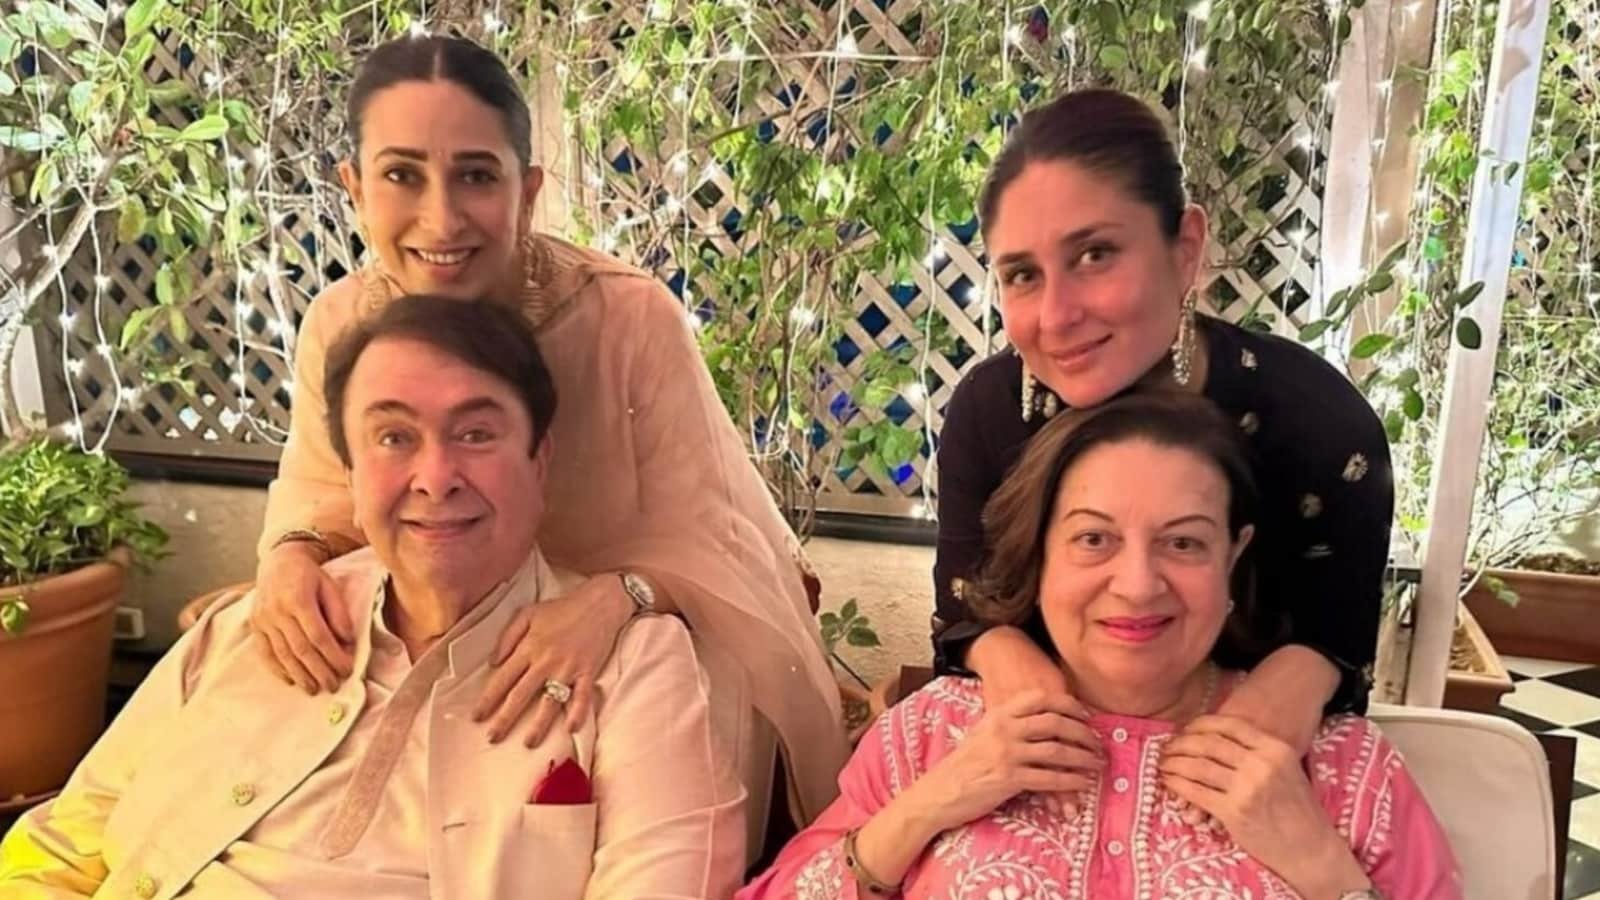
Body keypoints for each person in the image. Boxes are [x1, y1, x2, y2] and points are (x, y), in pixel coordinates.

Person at [249, 35, 844, 820]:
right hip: (427, 634)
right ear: (354, 188)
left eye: (476, 175)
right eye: (401, 175)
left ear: (526, 190)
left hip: (627, 651)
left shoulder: (629, 317)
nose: (441, 218)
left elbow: (718, 537)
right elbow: (323, 492)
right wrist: (289, 556)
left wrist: (614, 600)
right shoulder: (339, 323)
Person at [0, 295, 746, 898]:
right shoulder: (250, 627)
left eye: (476, 434)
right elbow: (61, 845)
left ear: (539, 461)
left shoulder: (632, 671)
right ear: (351, 473)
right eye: (393, 438)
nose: (435, 478)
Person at [742, 392, 1460, 899]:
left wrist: (1325, 870)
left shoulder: (1340, 767)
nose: (1138, 585)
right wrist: (923, 810)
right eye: (1094, 538)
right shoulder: (934, 733)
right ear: (1041, 555)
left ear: (1233, 555)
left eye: (1184, 542)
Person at [933, 88, 1393, 755]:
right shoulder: (988, 413)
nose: (1057, 316)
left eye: (1094, 255)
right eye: (1023, 274)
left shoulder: (1320, 427)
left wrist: (1303, 674)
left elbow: (1340, 639)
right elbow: (962, 614)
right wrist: (1005, 657)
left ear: (1185, 249)